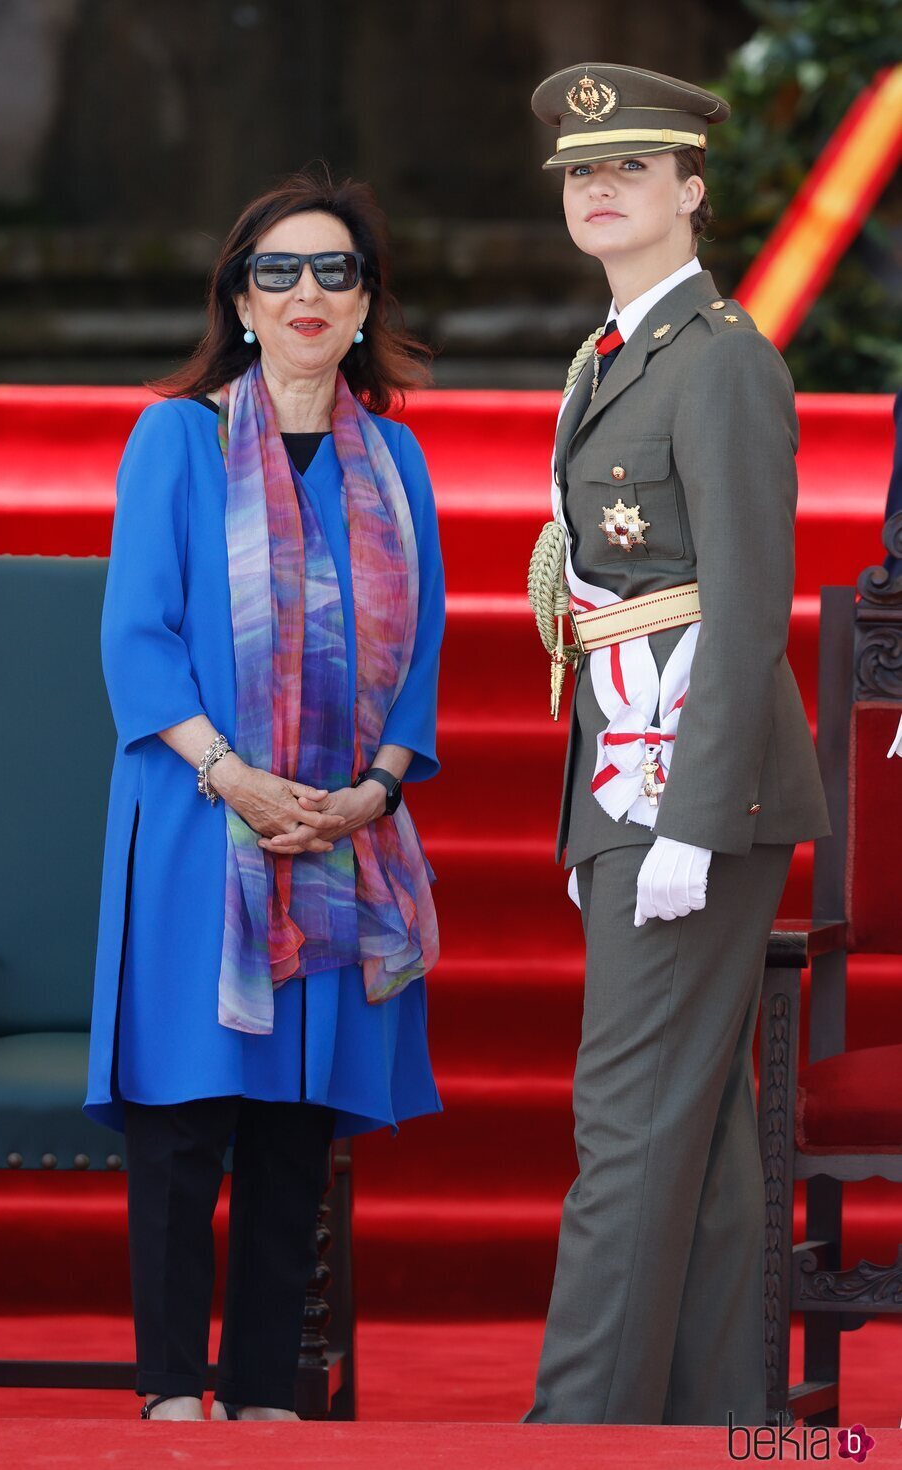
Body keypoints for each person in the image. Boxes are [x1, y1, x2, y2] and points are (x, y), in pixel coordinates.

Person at [84, 166, 444, 1422]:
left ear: (362, 307)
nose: (305, 292)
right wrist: (232, 777)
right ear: (240, 300)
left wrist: (373, 793)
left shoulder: (394, 463)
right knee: (188, 1118)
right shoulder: (173, 437)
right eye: (277, 271)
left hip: (342, 835)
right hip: (196, 820)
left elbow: (422, 662)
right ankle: (175, 1390)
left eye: (332, 272)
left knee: (296, 1119)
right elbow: (139, 638)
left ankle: (267, 1393)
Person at [522, 63, 830, 1426]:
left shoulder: (721, 359)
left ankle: (574, 1434)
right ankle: (721, 1432)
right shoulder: (614, 356)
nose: (600, 187)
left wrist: (692, 819)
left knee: (628, 1124)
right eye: (583, 172)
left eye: (631, 168)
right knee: (693, 1143)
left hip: (688, 786)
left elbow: (750, 600)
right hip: (630, 779)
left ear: (694, 188)